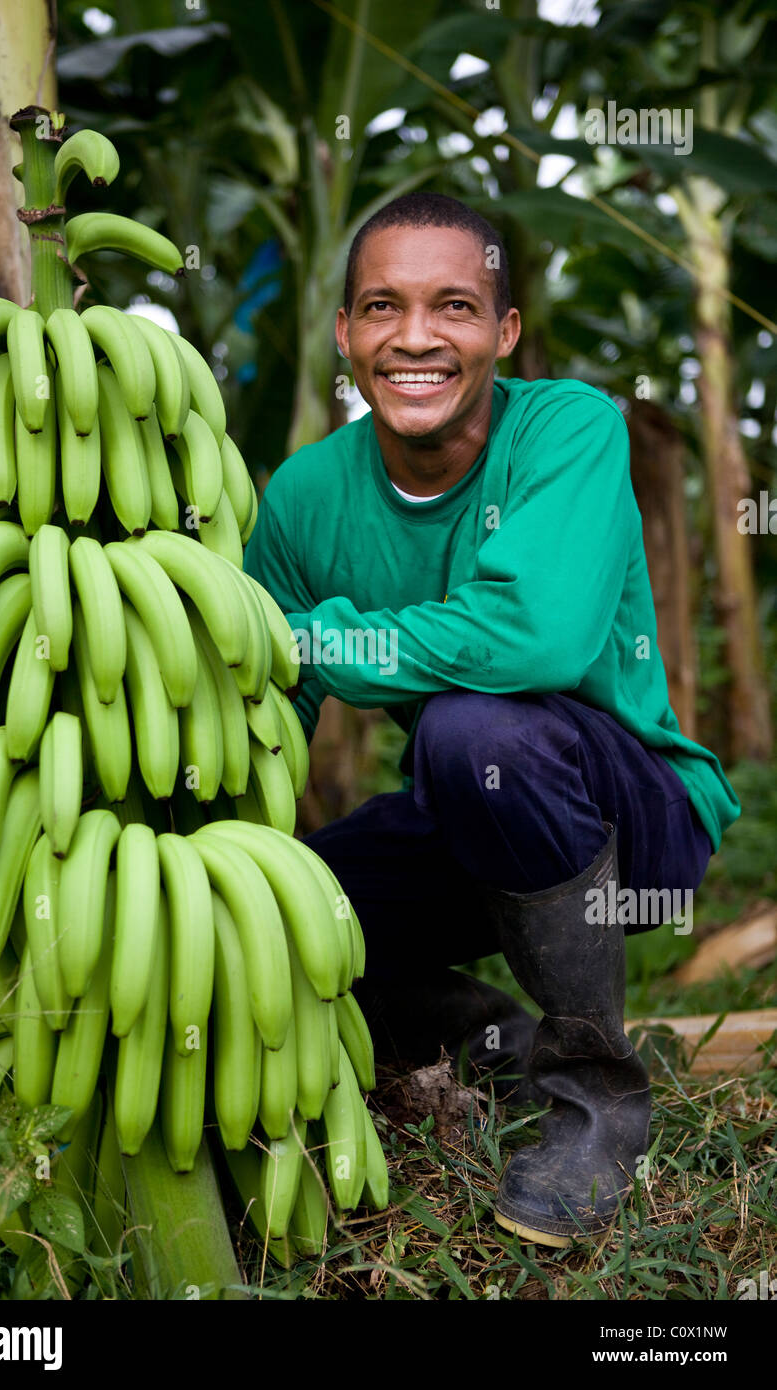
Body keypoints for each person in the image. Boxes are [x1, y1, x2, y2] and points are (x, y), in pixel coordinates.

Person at [242, 191, 741, 1249]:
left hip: (630, 811)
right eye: (381, 307)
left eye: (453, 306)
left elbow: (536, 640)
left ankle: (596, 1102)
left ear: (501, 332)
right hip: (460, 812)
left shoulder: (567, 428)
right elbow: (261, 700)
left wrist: (327, 638)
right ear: (344, 334)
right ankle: (496, 1042)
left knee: (473, 731)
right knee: (274, 917)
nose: (414, 337)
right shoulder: (301, 498)